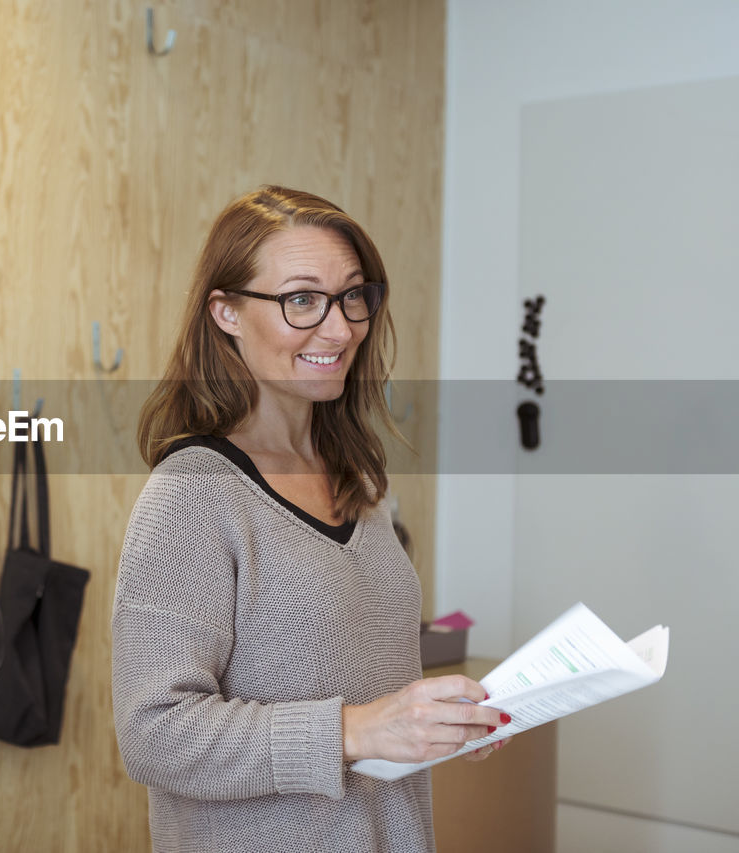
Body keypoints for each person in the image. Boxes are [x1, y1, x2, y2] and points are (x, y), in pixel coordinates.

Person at [110, 186, 509, 853]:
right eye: (302, 299)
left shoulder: (360, 481)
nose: (340, 326)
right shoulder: (192, 492)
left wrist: (433, 721)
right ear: (226, 311)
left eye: (353, 295)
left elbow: (359, 686)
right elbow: (153, 732)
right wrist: (354, 731)